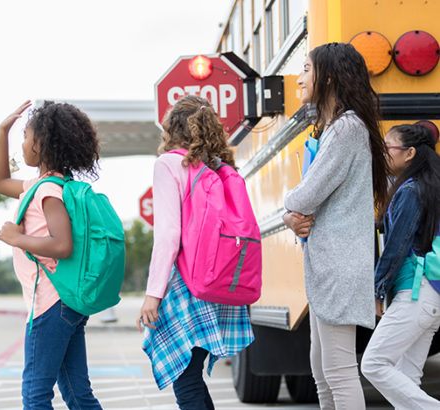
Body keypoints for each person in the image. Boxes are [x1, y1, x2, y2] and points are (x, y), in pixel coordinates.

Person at [282, 42, 389, 409]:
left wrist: (289, 209)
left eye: (307, 69)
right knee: (323, 371)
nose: (300, 77)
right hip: (330, 267)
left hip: (339, 267)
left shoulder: (346, 129)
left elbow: (304, 195)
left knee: (338, 372)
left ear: (327, 76)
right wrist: (292, 215)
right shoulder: (337, 128)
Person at [137, 95, 254, 409]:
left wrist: (153, 293)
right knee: (192, 377)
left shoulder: (168, 164)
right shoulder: (218, 166)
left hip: (186, 283)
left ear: (171, 129)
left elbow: (168, 234)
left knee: (186, 380)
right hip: (219, 278)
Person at [0, 100, 102, 409]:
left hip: (50, 303)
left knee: (35, 395)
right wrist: (2, 132)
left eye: (25, 136)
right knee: (77, 393)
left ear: (40, 145)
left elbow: (62, 245)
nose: (22, 143)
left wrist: (18, 238)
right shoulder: (45, 185)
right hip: (63, 303)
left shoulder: (48, 192)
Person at [361, 123, 440, 409]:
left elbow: (396, 247)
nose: (381, 154)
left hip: (415, 296)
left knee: (374, 364)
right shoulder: (429, 187)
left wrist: (377, 290)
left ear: (409, 154)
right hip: (431, 300)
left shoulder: (410, 191)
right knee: (408, 379)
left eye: (387, 147)